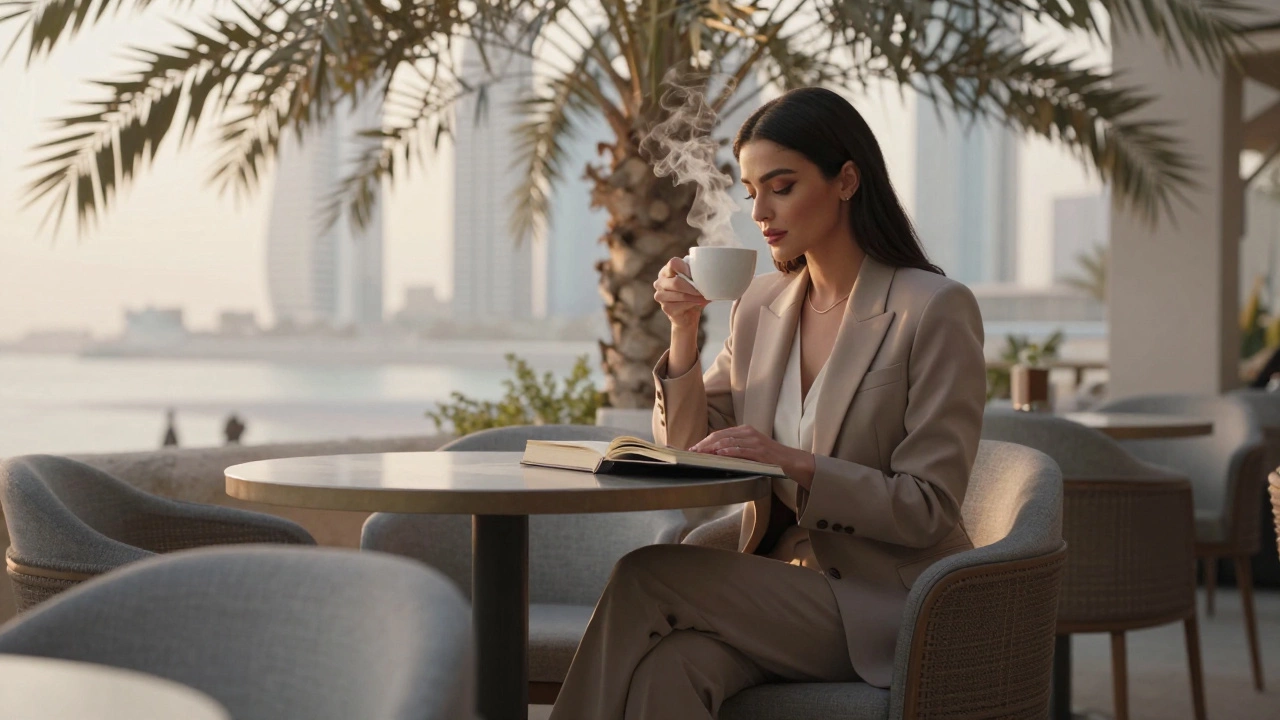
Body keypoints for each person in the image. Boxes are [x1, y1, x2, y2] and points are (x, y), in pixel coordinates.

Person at [548, 87, 987, 719]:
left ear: (846, 180)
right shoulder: (759, 306)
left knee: (648, 575)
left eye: (781, 186)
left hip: (888, 602)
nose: (760, 211)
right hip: (780, 585)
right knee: (671, 672)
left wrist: (794, 463)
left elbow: (928, 508)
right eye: (752, 191)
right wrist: (682, 332)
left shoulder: (932, 308)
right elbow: (688, 450)